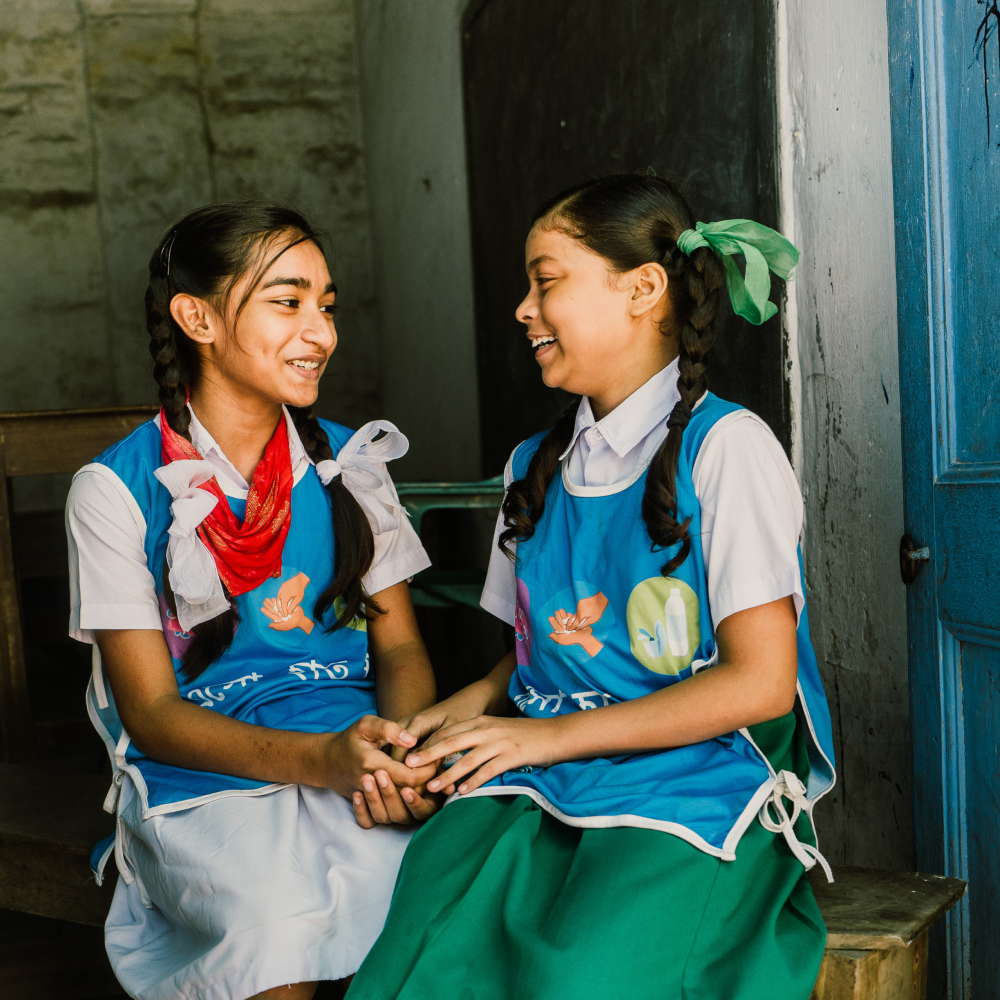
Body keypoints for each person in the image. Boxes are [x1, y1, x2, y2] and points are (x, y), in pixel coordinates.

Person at [346, 175, 837, 1000]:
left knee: (579, 974)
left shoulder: (727, 449)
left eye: (546, 281)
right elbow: (535, 657)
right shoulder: (531, 468)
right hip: (552, 774)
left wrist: (539, 740)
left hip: (693, 780)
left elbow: (759, 685)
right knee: (424, 953)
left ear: (643, 289)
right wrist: (454, 716)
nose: (522, 309)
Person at [66, 203, 441, 1000]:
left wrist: (397, 757)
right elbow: (154, 717)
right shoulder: (115, 492)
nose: (321, 333)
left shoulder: (350, 463)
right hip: (206, 781)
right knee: (272, 926)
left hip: (359, 755)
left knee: (440, 894)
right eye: (288, 301)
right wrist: (322, 764)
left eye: (327, 305)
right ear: (196, 317)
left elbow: (400, 648)